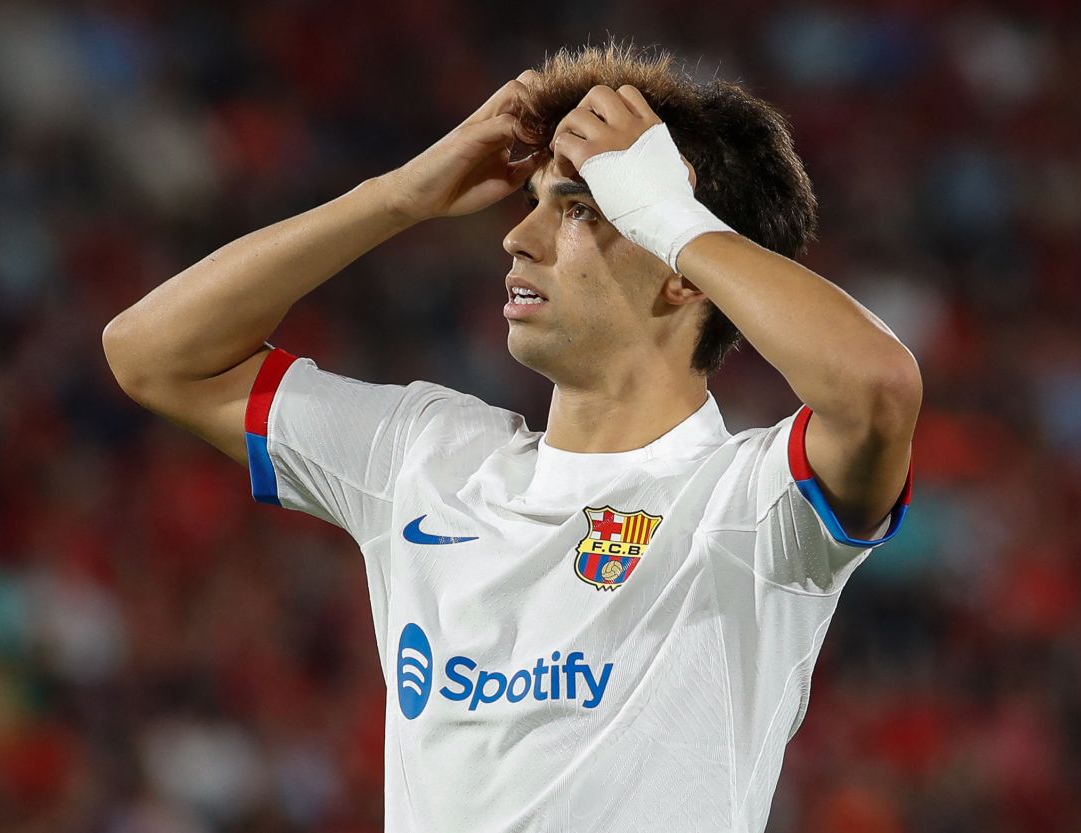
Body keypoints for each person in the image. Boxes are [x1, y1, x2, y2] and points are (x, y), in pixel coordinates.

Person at [103, 41, 918, 833]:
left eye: (576, 209)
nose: (517, 238)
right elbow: (153, 356)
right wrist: (396, 197)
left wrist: (670, 213)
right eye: (532, 203)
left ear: (679, 267)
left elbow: (878, 390)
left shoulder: (749, 506)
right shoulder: (424, 458)